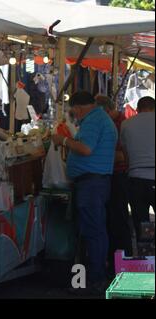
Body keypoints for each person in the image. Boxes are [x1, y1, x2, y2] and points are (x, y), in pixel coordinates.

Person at [52, 91, 117, 294]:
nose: (74, 115)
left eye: (74, 111)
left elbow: (86, 148)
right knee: (95, 230)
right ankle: (96, 276)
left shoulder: (93, 120)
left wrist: (62, 140)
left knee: (93, 231)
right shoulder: (100, 118)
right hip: (95, 183)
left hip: (92, 184)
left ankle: (94, 280)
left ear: (78, 108)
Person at [96, 95, 133, 266]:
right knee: (110, 217)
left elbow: (123, 156)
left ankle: (123, 260)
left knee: (118, 217)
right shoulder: (110, 123)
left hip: (119, 175)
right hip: (109, 174)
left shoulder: (122, 125)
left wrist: (97, 155)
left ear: (107, 111)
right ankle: (113, 259)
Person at [120, 96, 155, 242]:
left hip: (136, 178)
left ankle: (146, 257)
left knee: (142, 224)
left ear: (137, 109)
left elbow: (125, 154)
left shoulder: (126, 124)